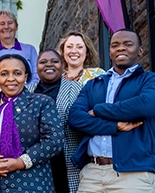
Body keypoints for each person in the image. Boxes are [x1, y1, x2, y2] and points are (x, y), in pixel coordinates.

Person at [68, 29, 155, 192]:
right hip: (92, 173)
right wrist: (114, 127)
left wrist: (99, 109)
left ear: (140, 50)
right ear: (110, 51)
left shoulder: (153, 80)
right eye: (115, 45)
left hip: (134, 173)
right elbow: (75, 118)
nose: (120, 48)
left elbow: (143, 106)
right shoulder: (94, 84)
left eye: (128, 44)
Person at [0, 54, 64, 193]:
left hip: (32, 185)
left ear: (26, 76)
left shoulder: (41, 103)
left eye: (17, 73)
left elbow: (54, 141)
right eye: (4, 74)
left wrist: (20, 162)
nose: (10, 79)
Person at [56, 31, 105, 192]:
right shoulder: (55, 80)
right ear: (63, 51)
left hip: (88, 144)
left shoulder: (98, 75)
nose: (74, 51)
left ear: (87, 51)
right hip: (61, 150)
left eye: (79, 47)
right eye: (69, 47)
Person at [34, 50, 68, 193]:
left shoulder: (77, 88)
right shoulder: (27, 91)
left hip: (66, 158)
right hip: (36, 157)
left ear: (62, 65)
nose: (49, 64)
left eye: (54, 61)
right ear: (36, 67)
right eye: (43, 62)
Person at [0, 9, 39, 85]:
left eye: (10, 23)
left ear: (16, 26)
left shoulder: (30, 49)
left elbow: (36, 77)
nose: (6, 27)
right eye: (2, 24)